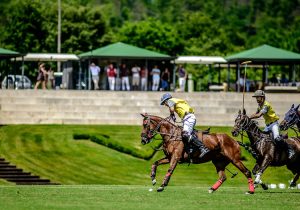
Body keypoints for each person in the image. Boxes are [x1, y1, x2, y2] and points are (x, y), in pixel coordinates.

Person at [160, 93, 210, 158]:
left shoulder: (170, 101)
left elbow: (171, 109)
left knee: (185, 134)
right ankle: (191, 148)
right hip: (187, 117)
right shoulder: (175, 100)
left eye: (164, 103)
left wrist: (172, 115)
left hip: (188, 117)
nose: (165, 105)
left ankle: (203, 148)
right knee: (184, 135)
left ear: (166, 100)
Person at [250, 90, 295, 159]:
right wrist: (247, 117)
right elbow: (256, 113)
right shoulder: (259, 106)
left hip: (274, 124)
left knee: (277, 138)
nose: (257, 99)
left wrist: (249, 117)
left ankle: (289, 149)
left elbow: (259, 115)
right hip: (267, 126)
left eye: (258, 97)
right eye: (256, 98)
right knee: (261, 138)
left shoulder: (266, 105)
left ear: (263, 97)